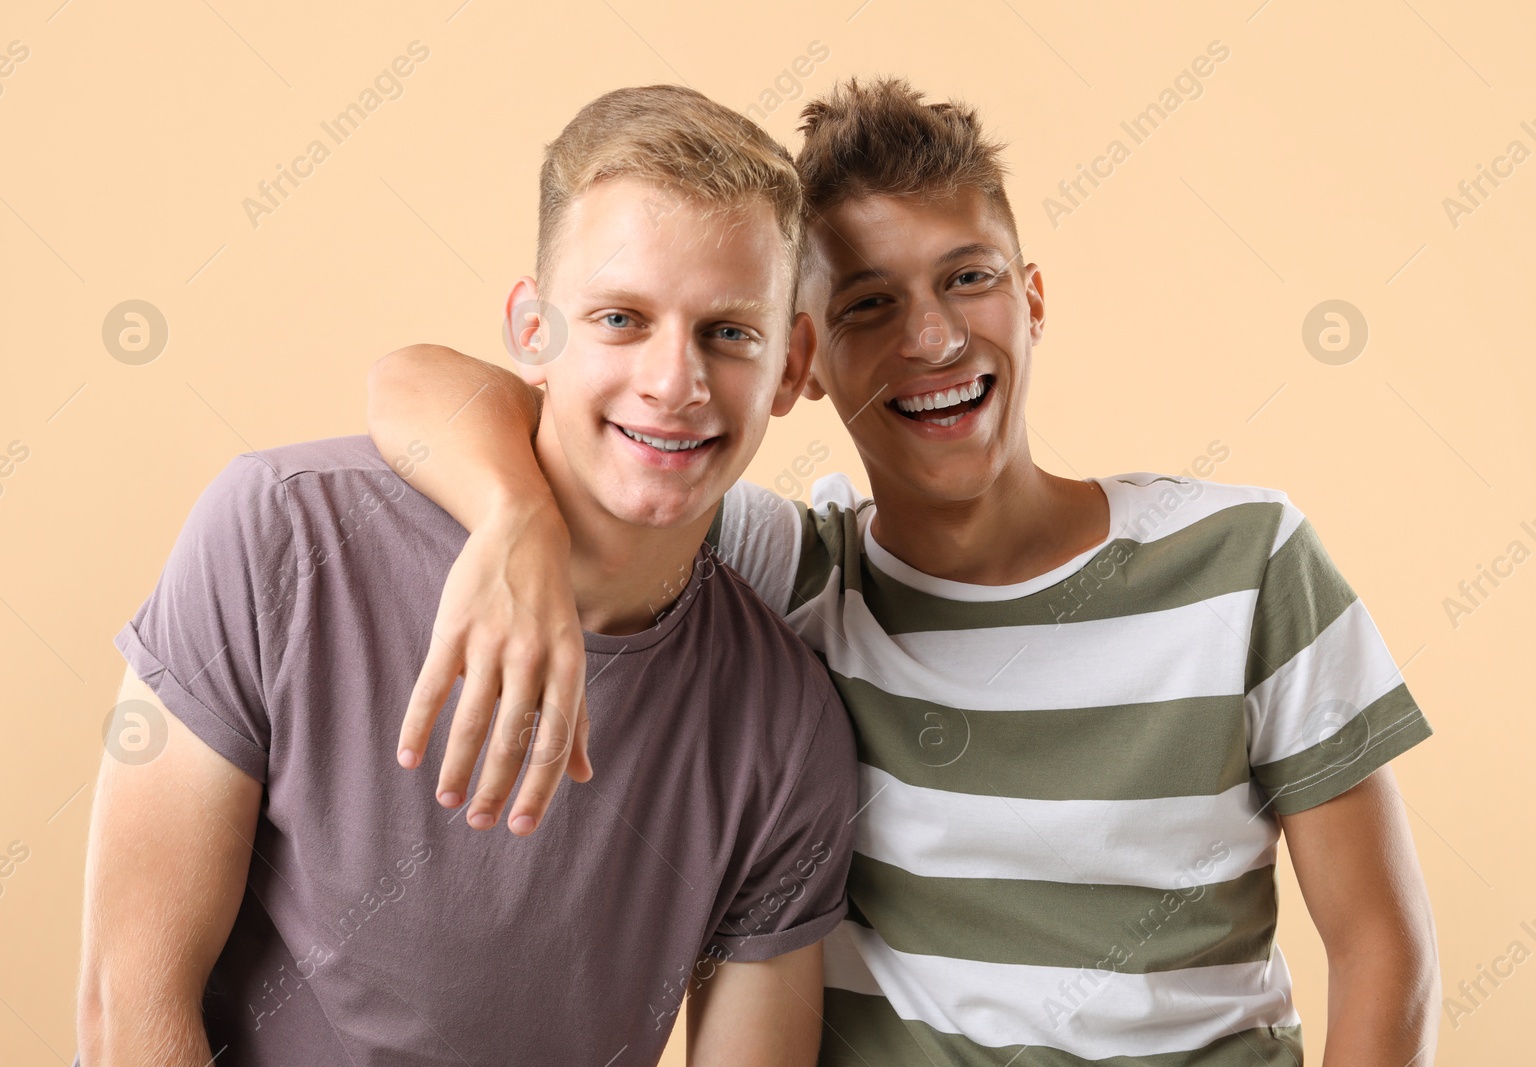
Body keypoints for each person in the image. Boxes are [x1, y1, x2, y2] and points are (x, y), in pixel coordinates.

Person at [366, 78, 1442, 1065]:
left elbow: (1382, 948)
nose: (930, 337)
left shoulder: (1245, 560)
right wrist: (514, 517)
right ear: (804, 361)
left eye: (965, 279)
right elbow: (414, 382)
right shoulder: (789, 571)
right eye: (867, 304)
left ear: (1030, 298)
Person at [76, 85, 860, 1067]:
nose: (673, 382)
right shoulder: (280, 534)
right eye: (619, 317)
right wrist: (512, 517)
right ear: (533, 331)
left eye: (728, 332)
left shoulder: (786, 729)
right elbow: (128, 1011)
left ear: (791, 365)